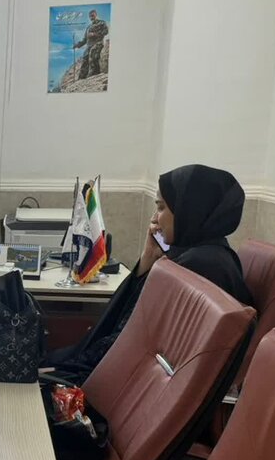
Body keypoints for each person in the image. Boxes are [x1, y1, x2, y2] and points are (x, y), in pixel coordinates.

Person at [47, 164, 253, 383]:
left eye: (161, 207)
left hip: (131, 381)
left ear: (190, 211)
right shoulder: (198, 254)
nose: (155, 218)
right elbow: (131, 320)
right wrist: (148, 258)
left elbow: (137, 334)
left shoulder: (201, 266)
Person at [73, 9, 108, 80]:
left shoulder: (102, 23)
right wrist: (77, 45)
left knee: (92, 57)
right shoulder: (88, 27)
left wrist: (94, 34)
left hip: (98, 44)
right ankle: (81, 79)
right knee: (84, 60)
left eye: (92, 15)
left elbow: (106, 31)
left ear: (96, 15)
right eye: (90, 16)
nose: (91, 17)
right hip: (89, 46)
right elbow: (84, 40)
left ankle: (95, 77)